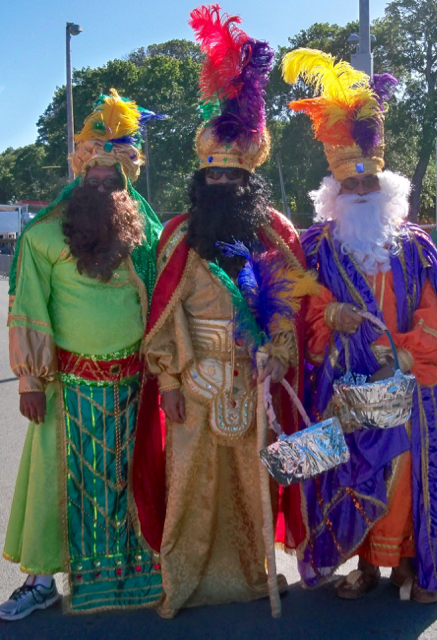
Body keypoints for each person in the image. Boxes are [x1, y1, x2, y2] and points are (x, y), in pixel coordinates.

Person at [130, 5, 313, 619]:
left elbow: (286, 306)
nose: (221, 189)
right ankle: (184, 581)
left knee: (251, 486)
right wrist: (171, 381)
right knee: (190, 491)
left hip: (253, 378)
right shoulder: (179, 235)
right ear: (198, 179)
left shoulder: (272, 232)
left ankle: (254, 575)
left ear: (249, 182)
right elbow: (165, 314)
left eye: (232, 181)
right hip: (196, 379)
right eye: (212, 179)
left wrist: (278, 357)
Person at [282, 50, 437, 603]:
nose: (361, 196)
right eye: (351, 189)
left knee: (407, 476)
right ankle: (365, 565)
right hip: (344, 389)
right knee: (348, 477)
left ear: (386, 186)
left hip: (409, 385)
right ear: (335, 194)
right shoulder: (318, 248)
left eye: (370, 187)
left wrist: (408, 355)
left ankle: (411, 565)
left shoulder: (415, 245)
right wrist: (331, 317)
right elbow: (304, 314)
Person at [1, 90, 164, 620]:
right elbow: (28, 308)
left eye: (112, 175)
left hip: (136, 388)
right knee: (52, 489)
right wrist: (28, 381)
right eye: (92, 171)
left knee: (133, 482)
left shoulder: (146, 236)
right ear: (79, 171)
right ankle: (40, 580)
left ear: (126, 180)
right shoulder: (42, 234)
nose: (101, 180)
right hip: (66, 389)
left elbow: (169, 299)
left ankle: (142, 572)